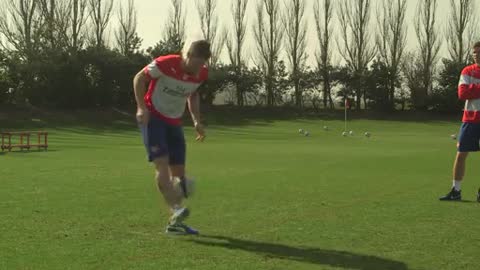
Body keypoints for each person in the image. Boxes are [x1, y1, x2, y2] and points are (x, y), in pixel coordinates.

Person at [132, 38, 210, 234]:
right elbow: (139, 78)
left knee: (180, 177)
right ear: (188, 55)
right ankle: (176, 210)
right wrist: (141, 108)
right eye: (197, 62)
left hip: (174, 122)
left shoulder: (201, 73)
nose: (199, 68)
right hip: (153, 118)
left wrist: (196, 120)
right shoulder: (165, 64)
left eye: (203, 64)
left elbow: (193, 94)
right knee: (162, 165)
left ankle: (175, 225)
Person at [440, 41, 480, 202]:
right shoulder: (467, 71)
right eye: (475, 52)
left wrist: (474, 89)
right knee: (461, 154)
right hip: (470, 119)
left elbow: (469, 91)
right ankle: (456, 190)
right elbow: (462, 93)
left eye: (479, 52)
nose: (476, 55)